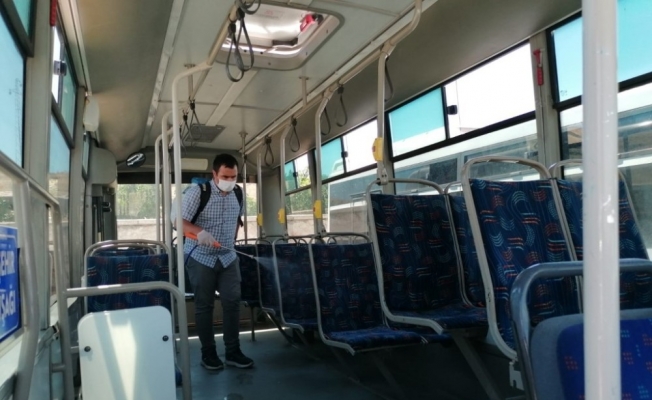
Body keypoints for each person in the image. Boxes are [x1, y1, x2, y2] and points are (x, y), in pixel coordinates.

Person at [181, 153, 253, 370]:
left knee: (232, 301)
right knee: (204, 305)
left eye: (233, 177)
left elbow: (237, 220)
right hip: (200, 255)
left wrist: (230, 240)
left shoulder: (238, 193)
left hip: (228, 256)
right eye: (225, 177)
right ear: (214, 174)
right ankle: (208, 353)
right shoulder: (198, 192)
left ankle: (233, 351)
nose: (230, 181)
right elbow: (179, 222)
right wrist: (199, 232)